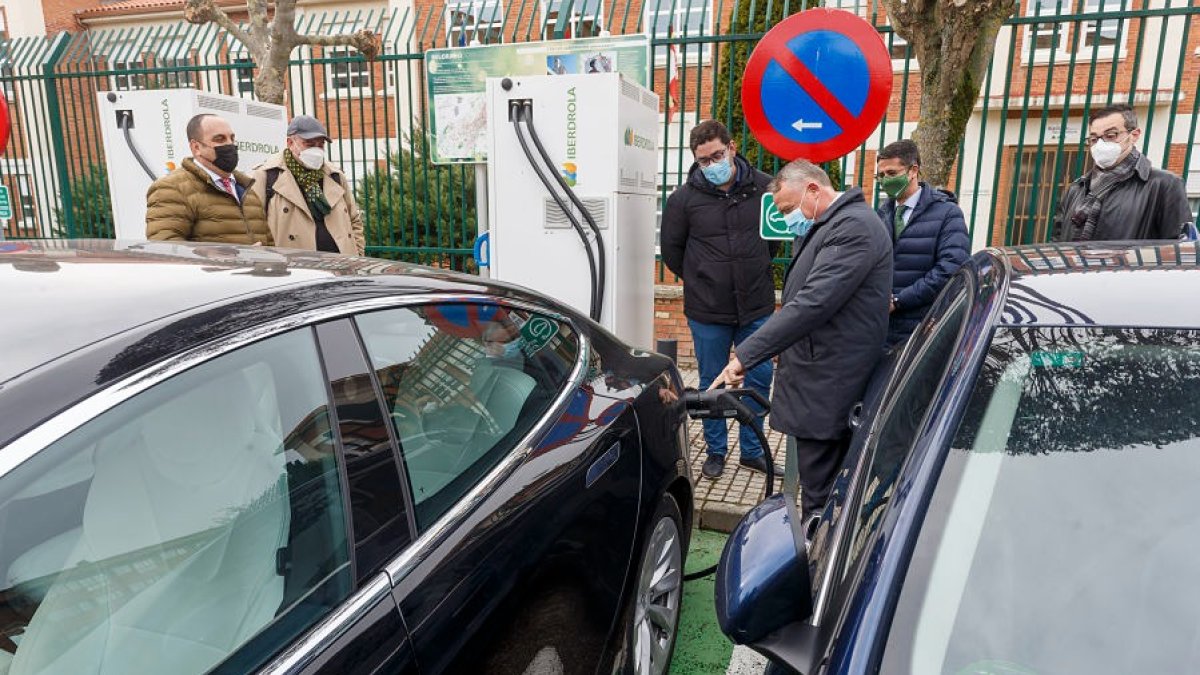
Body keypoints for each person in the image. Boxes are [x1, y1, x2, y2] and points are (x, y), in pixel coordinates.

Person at [712, 159, 892, 523]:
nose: (788, 218)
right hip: (819, 378)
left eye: (789, 209)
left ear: (813, 188)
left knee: (820, 498)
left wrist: (743, 357)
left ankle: (818, 565)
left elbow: (813, 303)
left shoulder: (853, 227)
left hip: (829, 386)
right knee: (819, 490)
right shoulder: (832, 223)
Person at [660, 120, 779, 480]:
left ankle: (752, 451)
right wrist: (703, 277)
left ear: (732, 146)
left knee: (758, 377)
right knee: (711, 381)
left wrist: (754, 268)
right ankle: (715, 451)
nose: (712, 165)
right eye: (703, 160)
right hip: (707, 310)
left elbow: (772, 241)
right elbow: (672, 253)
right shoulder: (683, 200)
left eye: (716, 155)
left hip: (755, 307)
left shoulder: (763, 187)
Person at [874, 139, 970, 347]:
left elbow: (950, 269)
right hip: (881, 327)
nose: (885, 181)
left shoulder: (947, 213)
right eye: (880, 176)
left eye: (891, 173)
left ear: (913, 171)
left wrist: (899, 301)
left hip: (923, 327)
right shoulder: (881, 214)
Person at [1053, 103, 1192, 241]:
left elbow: (1178, 249)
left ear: (1134, 135)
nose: (1100, 145)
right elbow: (1058, 242)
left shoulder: (1164, 185)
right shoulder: (1078, 187)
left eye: (1111, 135)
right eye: (1094, 139)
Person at [146, 113, 271, 245]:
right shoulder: (172, 188)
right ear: (196, 147)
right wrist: (233, 258)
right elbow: (166, 248)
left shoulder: (246, 190)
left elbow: (269, 243)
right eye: (220, 139)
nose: (229, 144)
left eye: (232, 138)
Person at [252, 115, 366, 255]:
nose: (317, 150)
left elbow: (354, 220)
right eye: (310, 144)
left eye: (321, 145)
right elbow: (255, 224)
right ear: (290, 143)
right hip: (296, 267)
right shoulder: (268, 175)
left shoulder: (335, 175)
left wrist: (357, 254)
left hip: (341, 266)